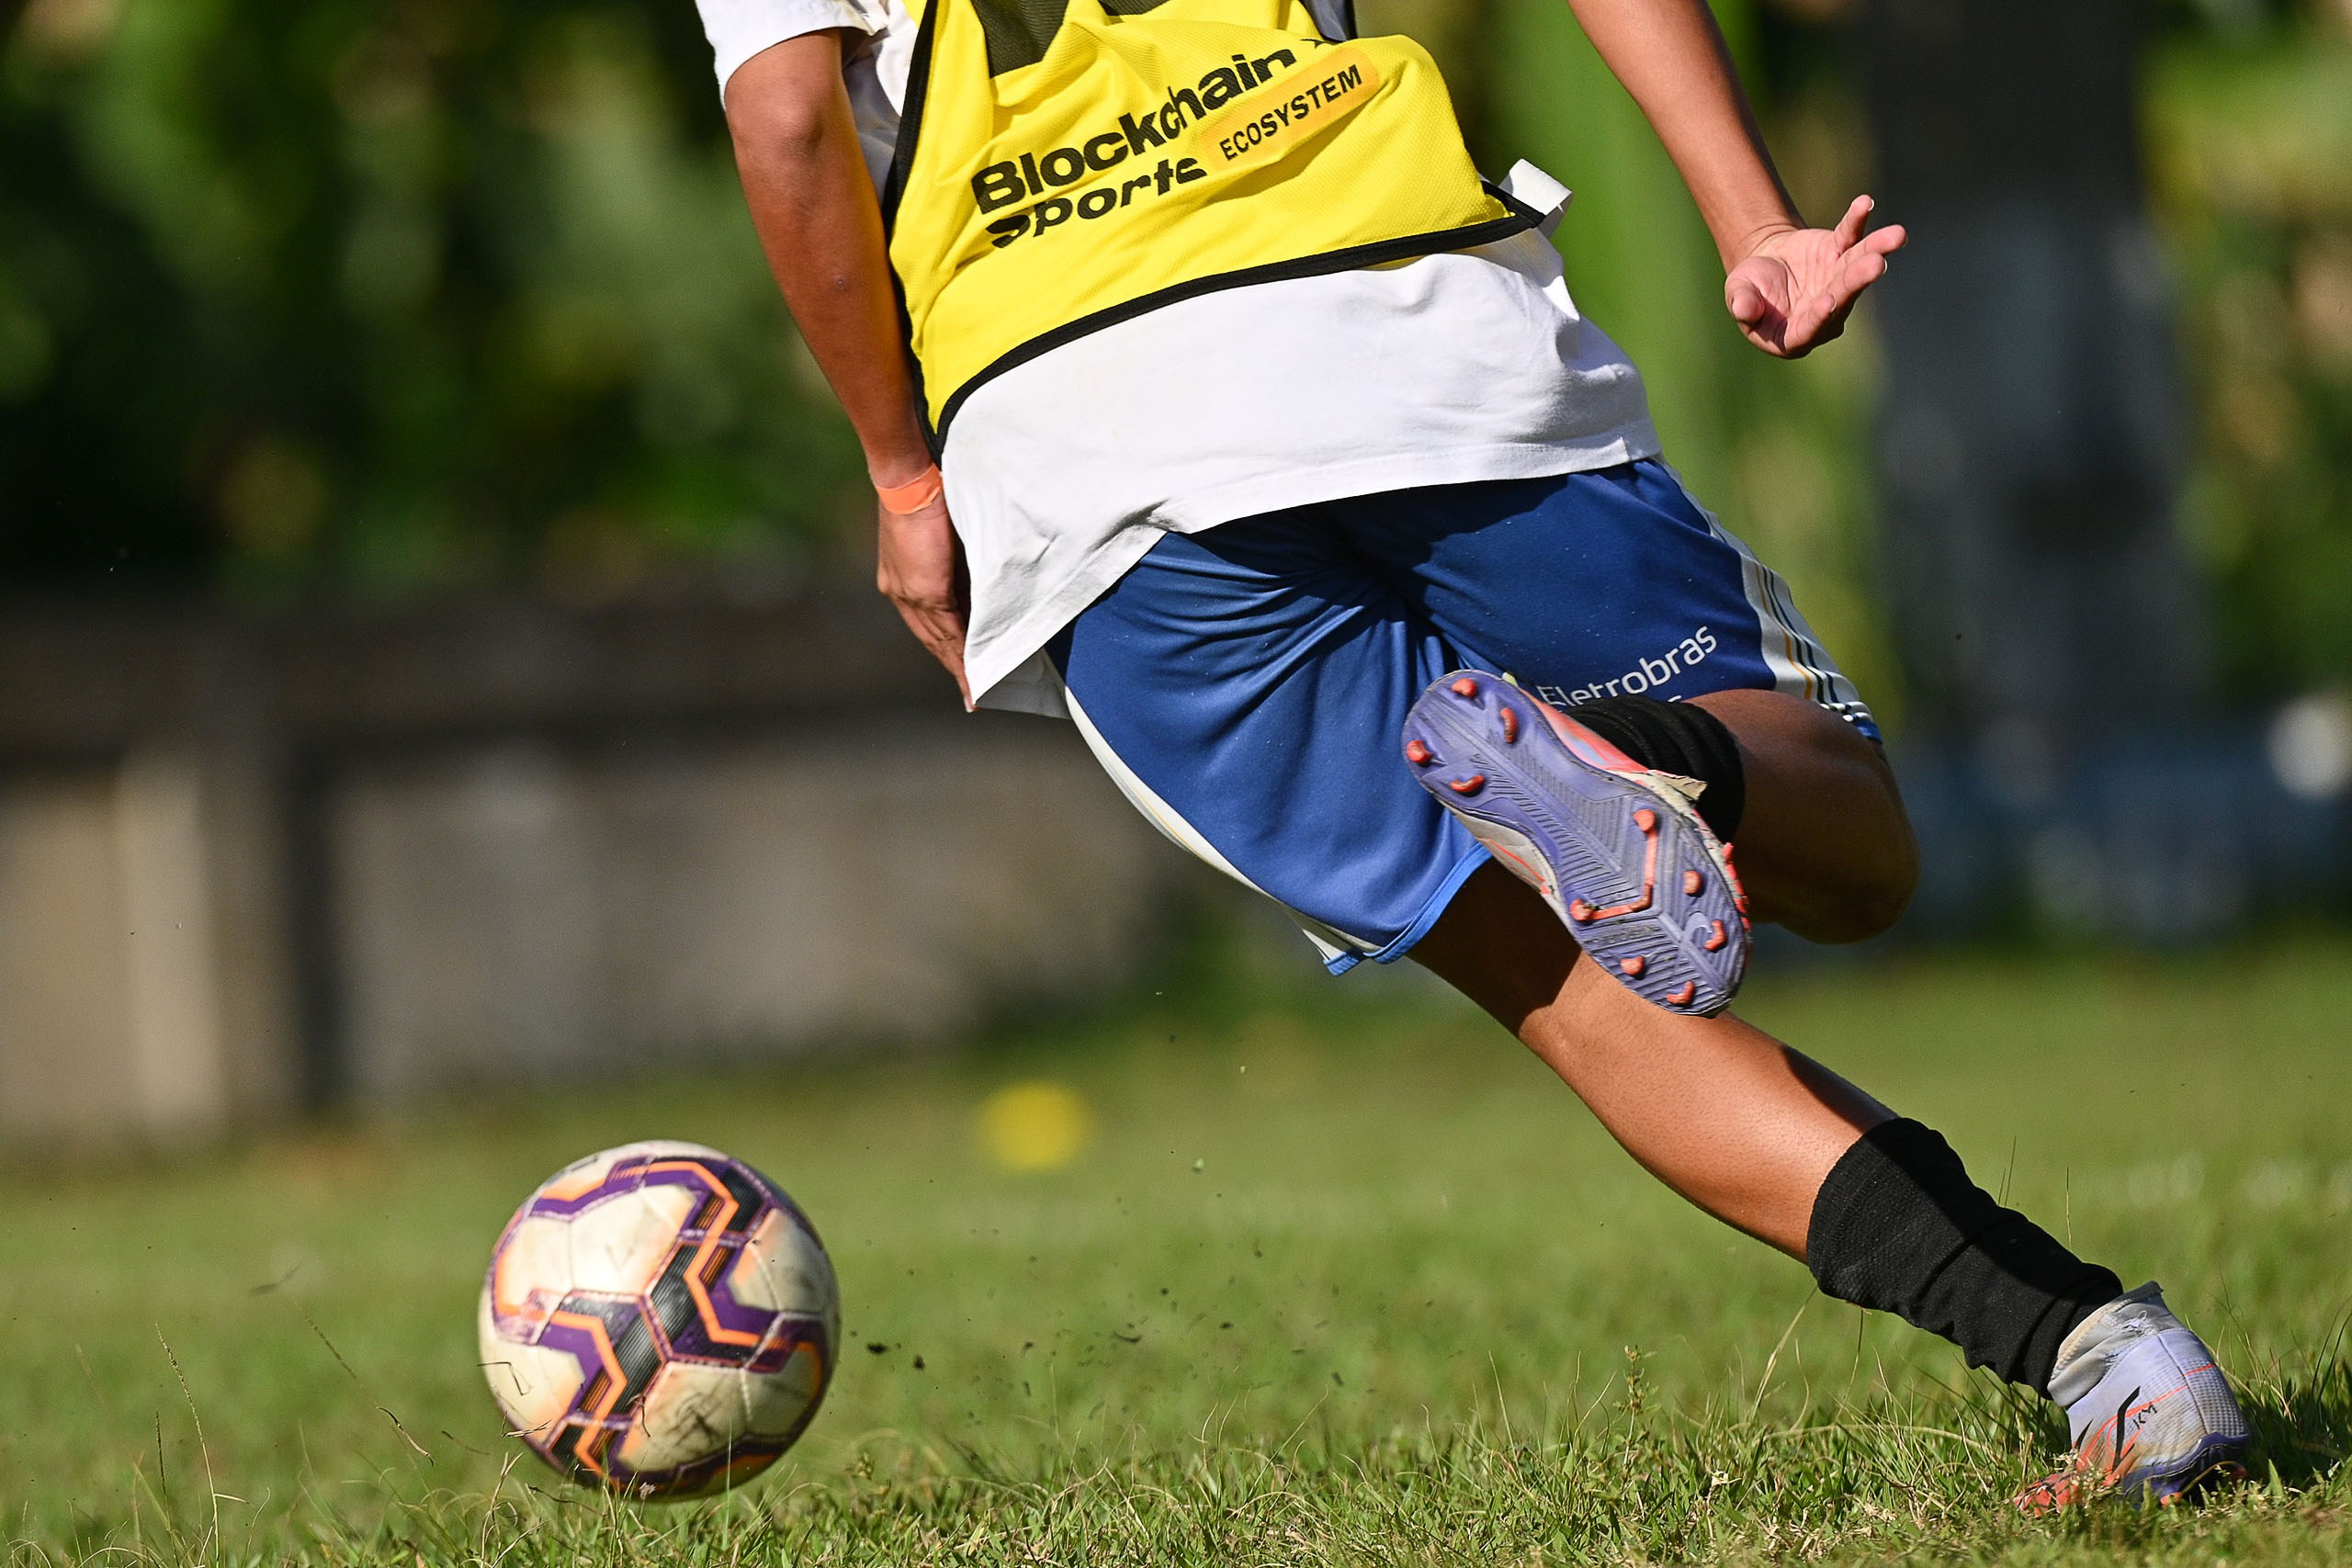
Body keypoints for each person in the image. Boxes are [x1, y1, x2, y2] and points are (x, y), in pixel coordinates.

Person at [695, 0, 2248, 1503]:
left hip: (1094, 454)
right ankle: (1646, 754)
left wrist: (904, 483)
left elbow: (784, 110)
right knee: (1856, 855)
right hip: (1410, 325)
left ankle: (2095, 1354)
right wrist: (1749, 218)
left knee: (1565, 992)